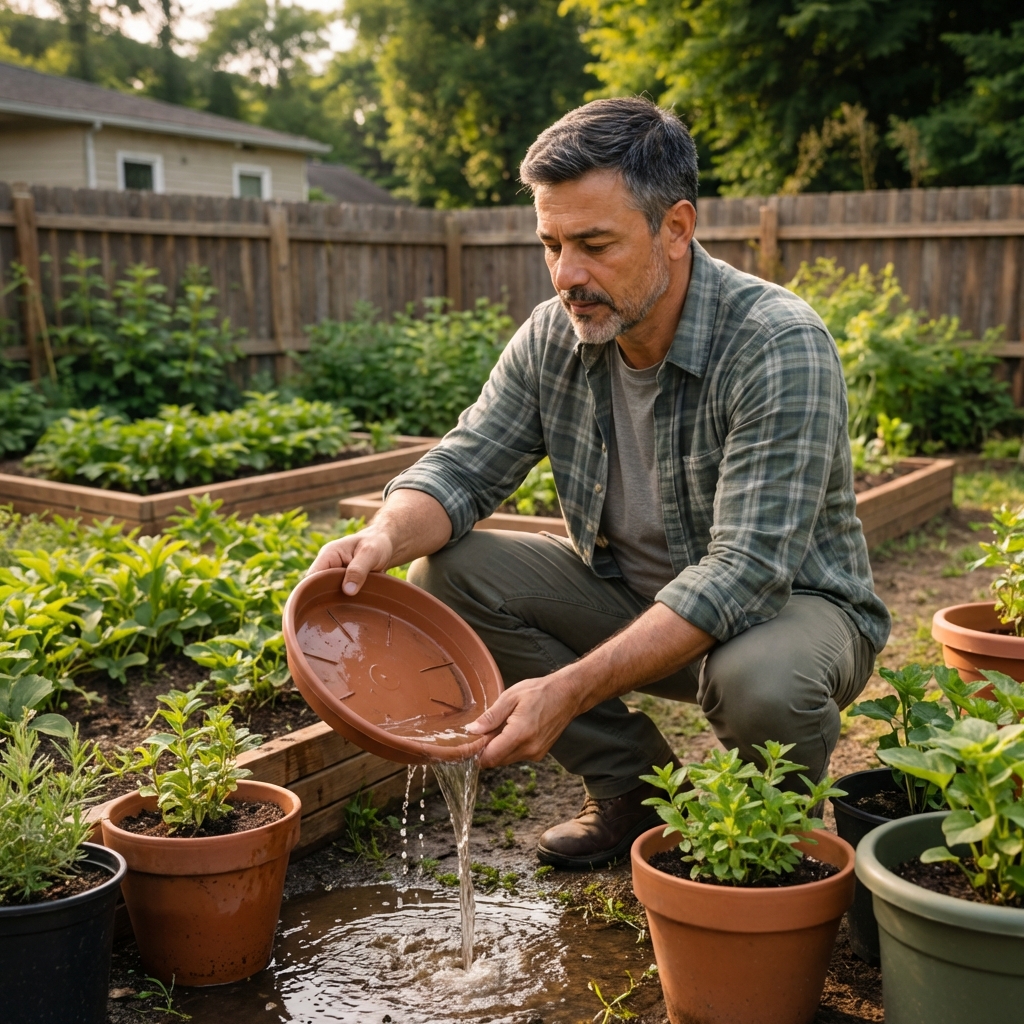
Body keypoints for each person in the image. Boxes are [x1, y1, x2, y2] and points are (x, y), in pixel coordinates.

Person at [309, 97, 890, 869]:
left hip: (788, 614)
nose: (566, 275)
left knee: (762, 681)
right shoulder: (557, 335)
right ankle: (633, 793)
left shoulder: (776, 343)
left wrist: (569, 689)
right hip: (639, 600)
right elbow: (463, 464)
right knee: (448, 572)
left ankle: (759, 834)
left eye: (593, 243)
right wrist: (380, 536)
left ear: (676, 229)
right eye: (550, 244)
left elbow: (745, 574)